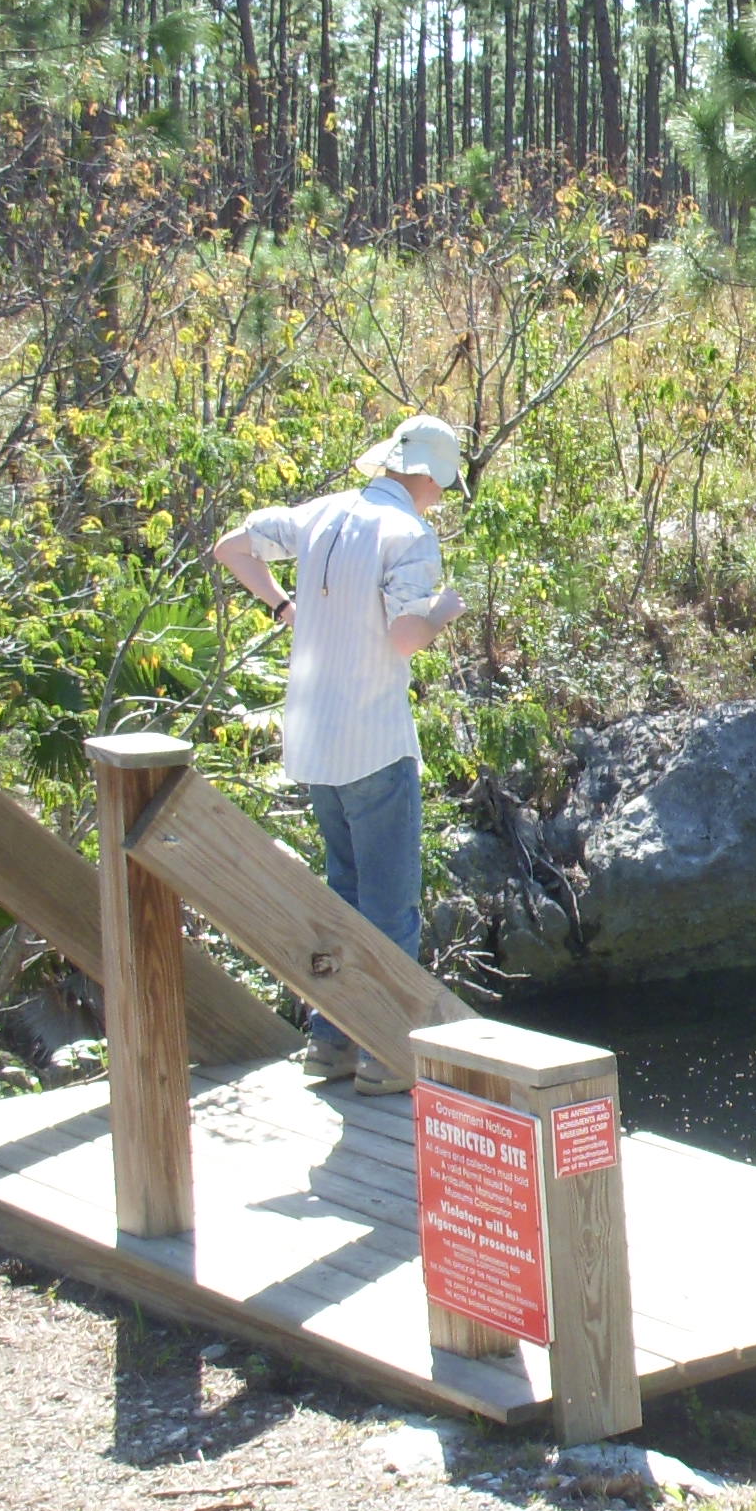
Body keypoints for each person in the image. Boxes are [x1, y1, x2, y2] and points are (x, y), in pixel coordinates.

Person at [211, 414, 469, 1094]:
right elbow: (407, 637)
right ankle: (385, 1055)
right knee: (389, 907)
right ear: (428, 475)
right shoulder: (409, 534)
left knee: (342, 896)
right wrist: (446, 609)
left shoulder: (320, 513)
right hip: (374, 740)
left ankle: (328, 1045)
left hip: (314, 741)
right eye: (442, 485)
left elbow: (231, 547)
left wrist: (281, 607)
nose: (439, 498)